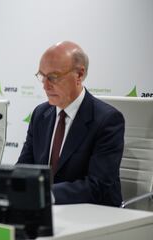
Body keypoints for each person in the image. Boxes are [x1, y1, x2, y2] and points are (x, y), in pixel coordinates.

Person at [17, 41, 125, 206]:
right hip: (46, 211)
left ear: (79, 75)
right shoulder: (40, 114)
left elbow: (98, 186)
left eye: (53, 77)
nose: (45, 86)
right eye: (42, 76)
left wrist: (45, 194)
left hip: (93, 216)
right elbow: (24, 167)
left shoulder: (107, 120)